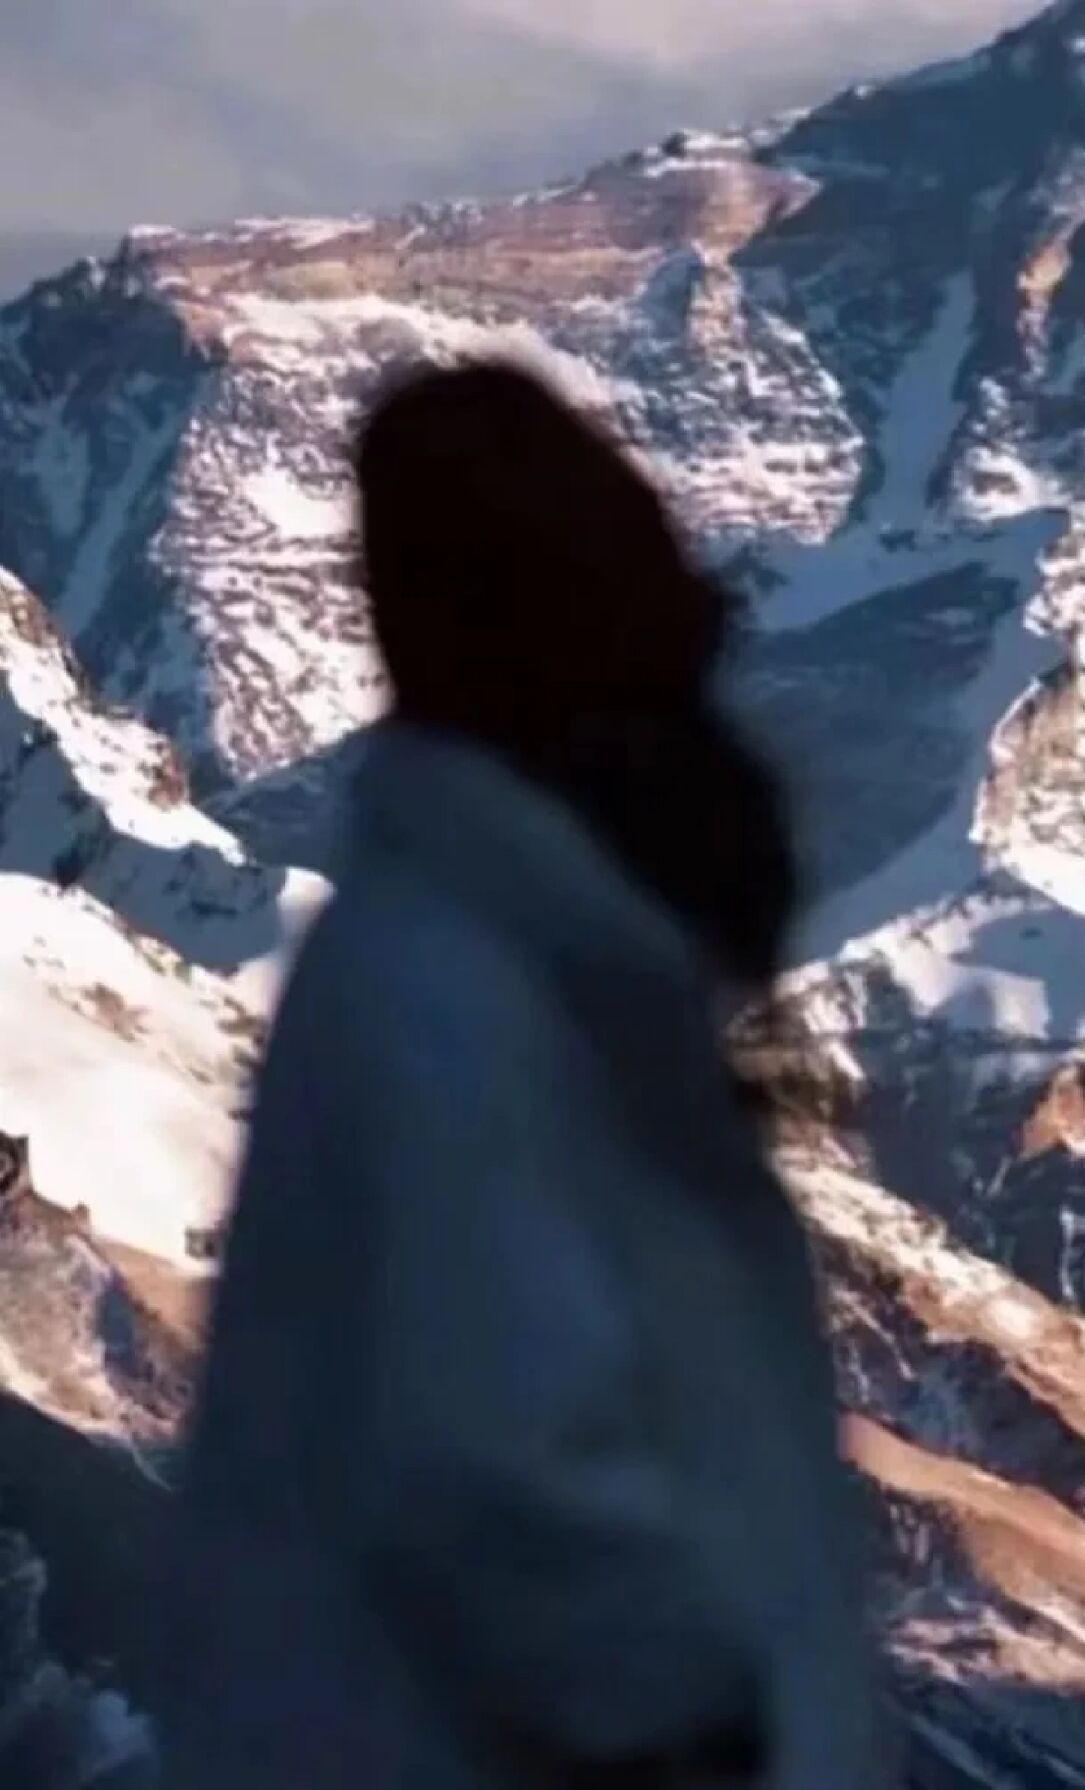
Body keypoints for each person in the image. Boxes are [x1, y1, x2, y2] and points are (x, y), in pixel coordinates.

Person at [158, 363, 884, 1788]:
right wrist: (701, 1737)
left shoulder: (521, 967)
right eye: (661, 663)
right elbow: (502, 1476)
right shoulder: (448, 992)